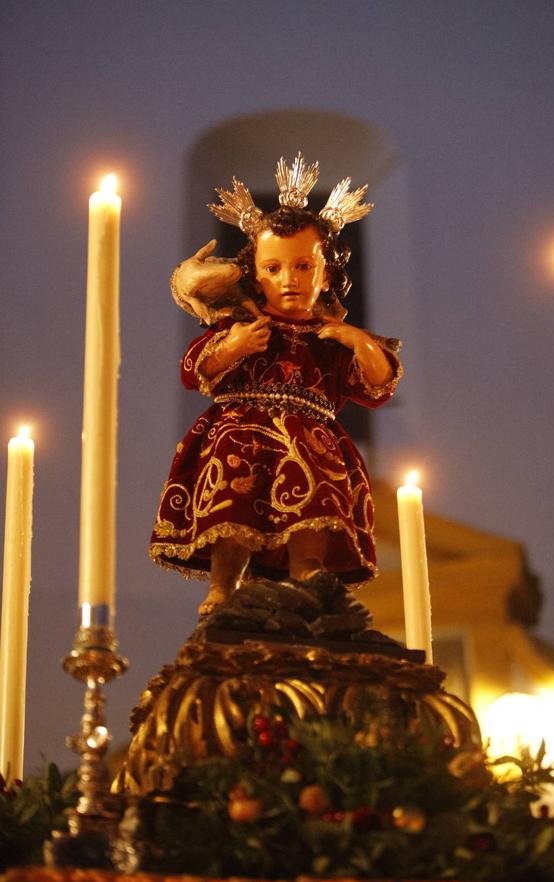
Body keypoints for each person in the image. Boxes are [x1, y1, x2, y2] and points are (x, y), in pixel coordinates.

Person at [149, 153, 402, 616]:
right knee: (233, 504)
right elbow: (197, 371)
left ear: (326, 274)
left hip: (312, 441)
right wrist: (234, 348)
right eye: (273, 269)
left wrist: (359, 341)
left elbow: (376, 385)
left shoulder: (328, 341)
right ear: (254, 274)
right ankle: (225, 584)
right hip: (240, 435)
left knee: (317, 502)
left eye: (304, 266)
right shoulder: (240, 326)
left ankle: (307, 573)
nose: (289, 280)